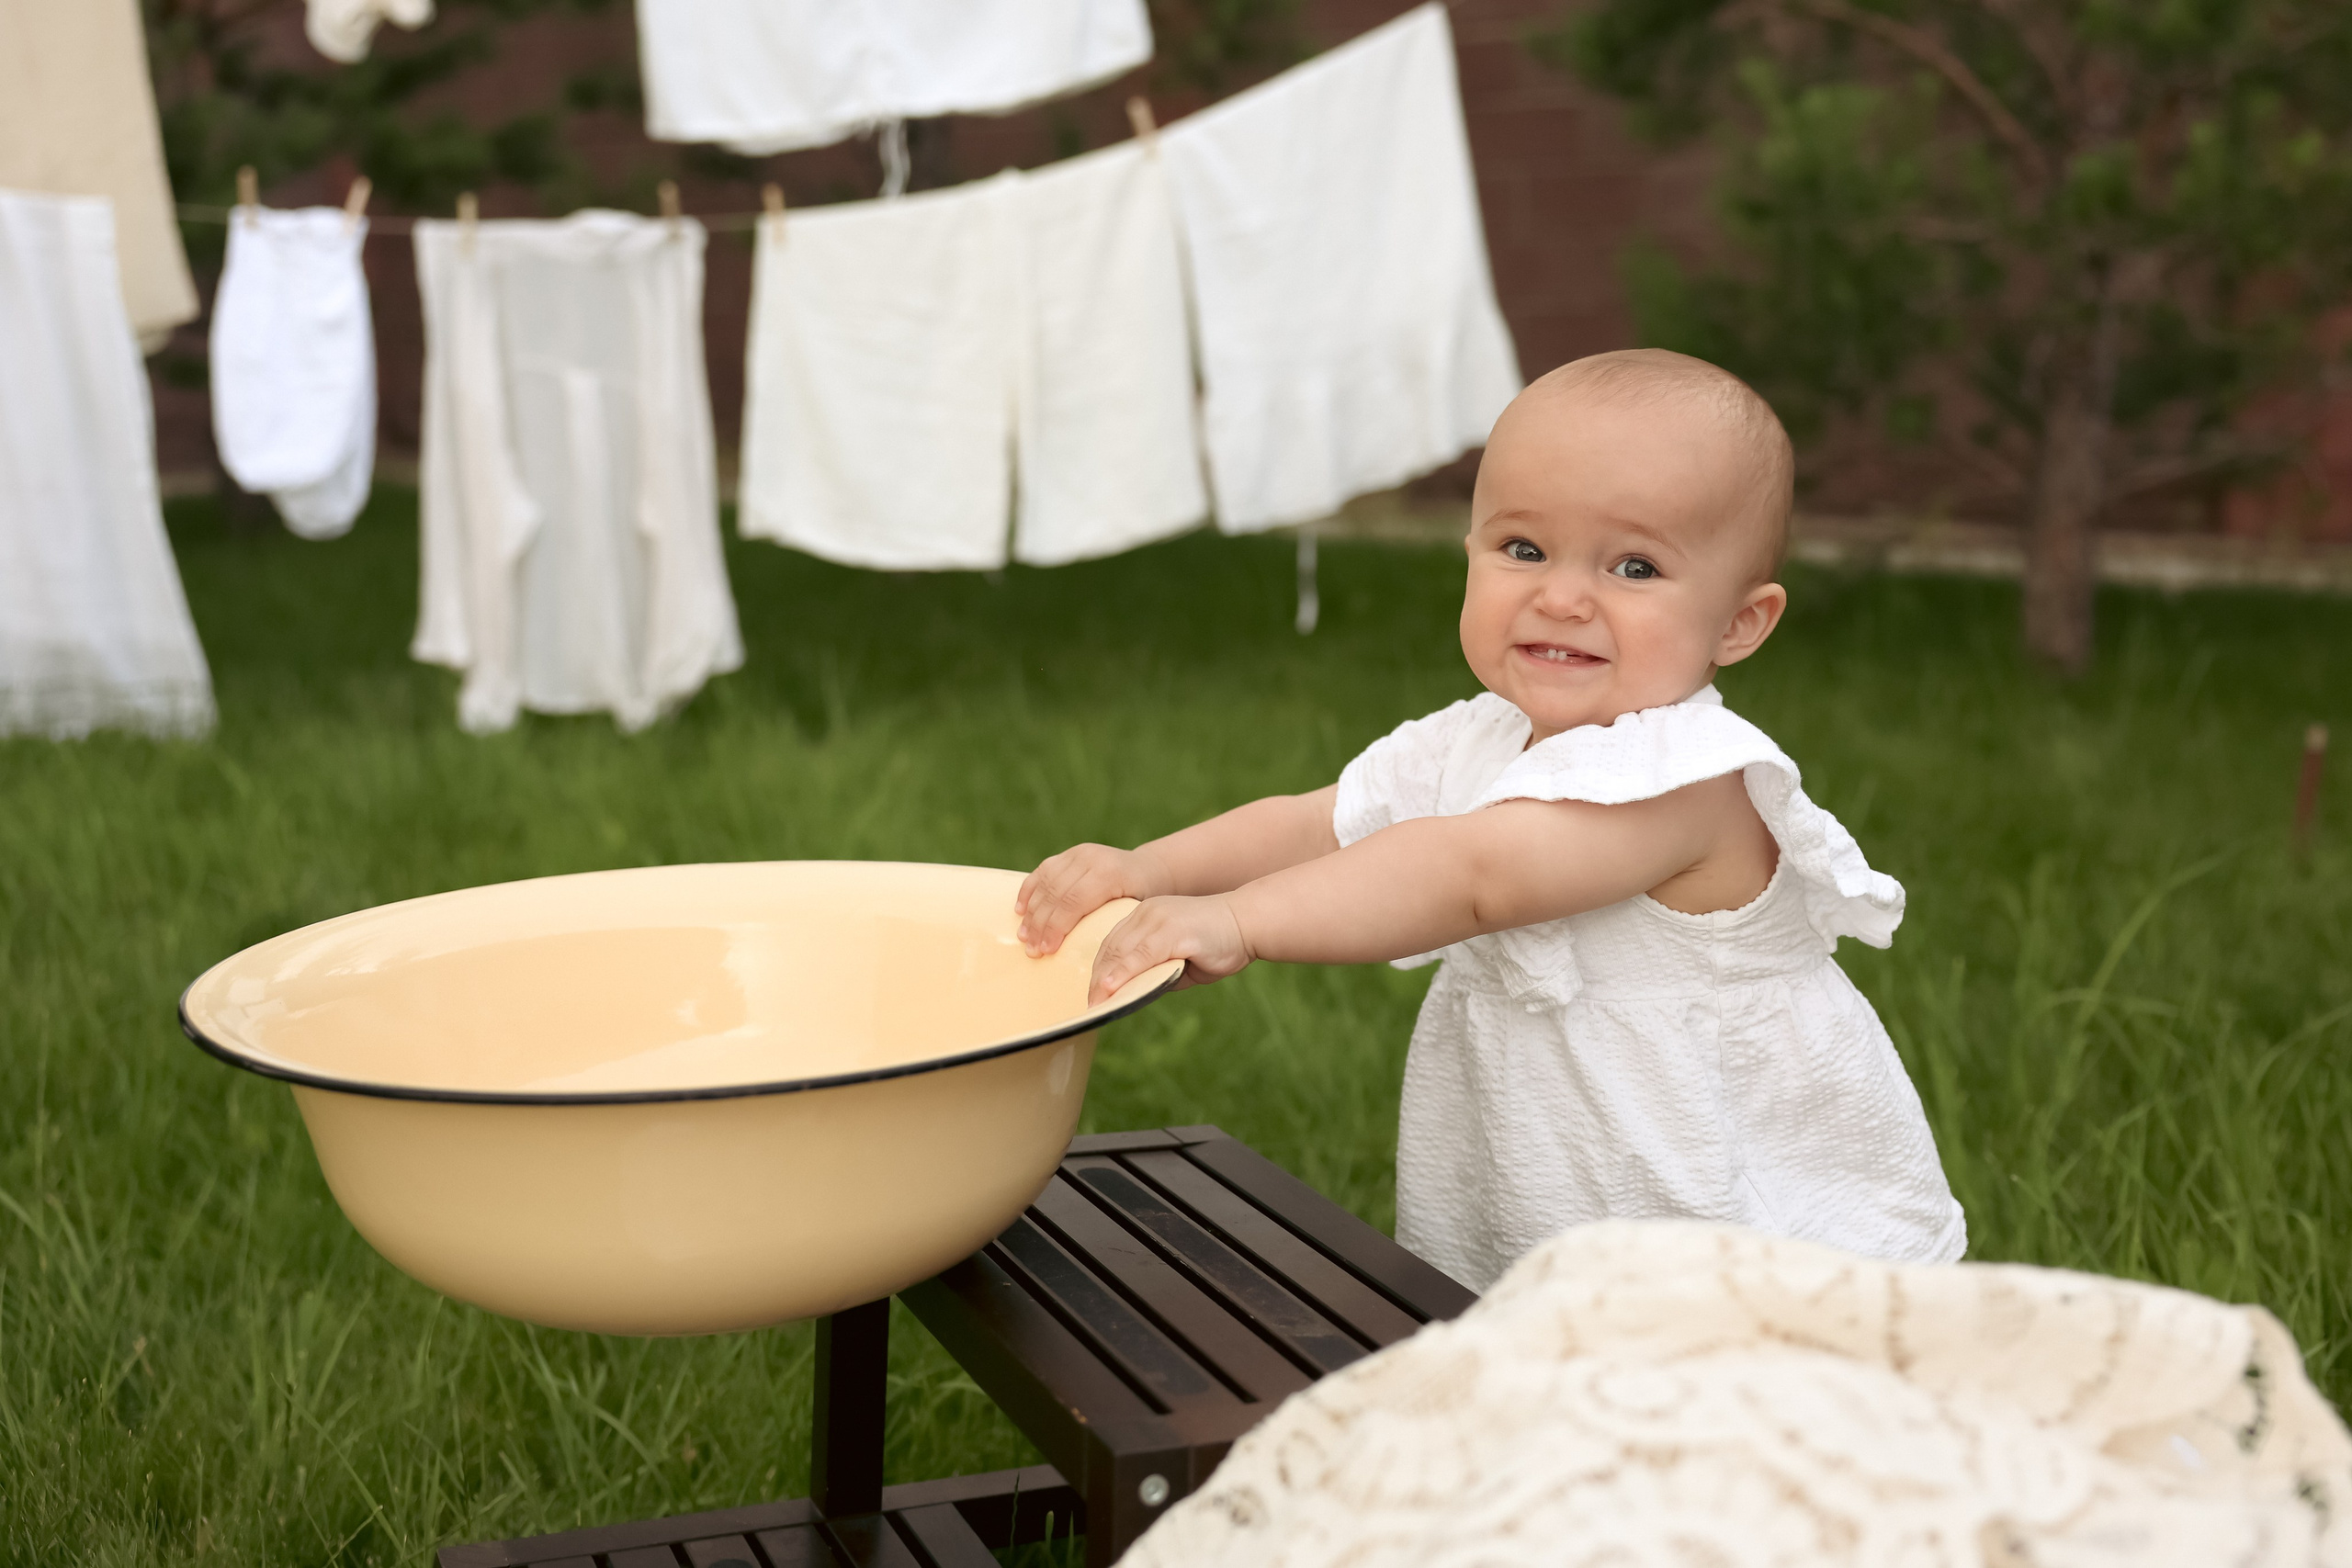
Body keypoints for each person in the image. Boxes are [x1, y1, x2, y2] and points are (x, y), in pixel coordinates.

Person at [1013, 347, 1965, 1291]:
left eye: (1634, 566)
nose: (1561, 596)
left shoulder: (1687, 778)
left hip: (1720, 1203)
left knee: (1714, 1362)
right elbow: (1322, 822)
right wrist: (1153, 870)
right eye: (1523, 549)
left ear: (1738, 624)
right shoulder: (1475, 740)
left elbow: (1473, 876)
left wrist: (1240, 919)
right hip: (1553, 1165)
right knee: (1532, 1334)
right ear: (1468, 552)